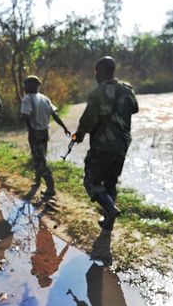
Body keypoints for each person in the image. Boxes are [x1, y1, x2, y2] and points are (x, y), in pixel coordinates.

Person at [72, 56, 139, 231]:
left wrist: (78, 136)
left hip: (103, 145)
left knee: (91, 181)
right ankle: (109, 223)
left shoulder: (98, 93)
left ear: (100, 71)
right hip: (122, 145)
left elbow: (88, 120)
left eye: (96, 71)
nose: (95, 75)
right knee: (110, 182)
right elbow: (134, 109)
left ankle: (110, 209)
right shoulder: (128, 90)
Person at [20, 75, 71, 198]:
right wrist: (64, 127)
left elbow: (25, 117)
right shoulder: (45, 98)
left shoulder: (27, 99)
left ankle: (50, 187)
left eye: (26, 85)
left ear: (32, 85)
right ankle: (37, 181)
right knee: (40, 157)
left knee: (40, 160)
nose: (24, 87)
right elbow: (55, 115)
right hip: (44, 132)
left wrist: (28, 126)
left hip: (35, 132)